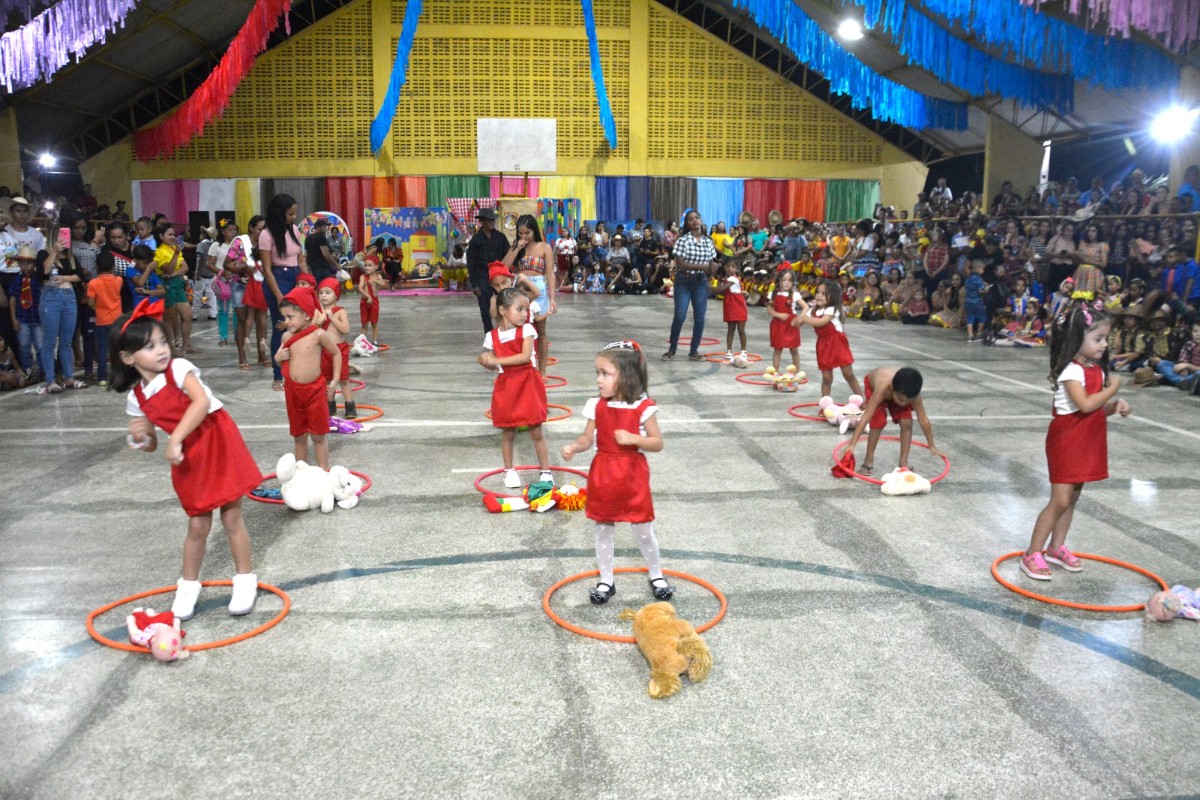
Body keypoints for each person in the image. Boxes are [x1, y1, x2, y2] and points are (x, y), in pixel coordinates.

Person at [111, 299, 263, 619]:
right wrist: (143, 439)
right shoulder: (135, 399)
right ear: (127, 358)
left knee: (231, 516)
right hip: (189, 455)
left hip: (216, 438)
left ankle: (245, 580)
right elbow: (153, 444)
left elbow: (200, 402)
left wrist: (175, 438)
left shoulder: (179, 369)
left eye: (163, 341)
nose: (162, 350)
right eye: (150, 346)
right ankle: (188, 586)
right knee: (197, 524)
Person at [1020, 304, 1129, 580]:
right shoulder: (1071, 371)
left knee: (1072, 499)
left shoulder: (1096, 370)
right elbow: (1083, 404)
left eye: (1106, 338)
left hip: (1087, 440)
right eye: (1098, 338)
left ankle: (1056, 548)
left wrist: (1114, 405)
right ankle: (1032, 552)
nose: (1104, 344)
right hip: (1067, 440)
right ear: (1076, 339)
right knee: (1059, 501)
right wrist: (1113, 389)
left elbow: (1095, 407)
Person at [561, 340, 670, 605]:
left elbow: (657, 443)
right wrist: (575, 446)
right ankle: (606, 580)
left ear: (627, 376)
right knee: (603, 529)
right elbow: (588, 438)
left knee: (643, 530)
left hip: (632, 475)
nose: (599, 380)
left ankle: (656, 575)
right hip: (604, 473)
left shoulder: (643, 407)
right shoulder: (596, 405)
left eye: (606, 374)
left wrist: (634, 438)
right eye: (597, 373)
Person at [478, 287, 550, 491]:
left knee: (536, 431)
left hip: (528, 384)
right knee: (508, 432)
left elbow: (525, 356)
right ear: (503, 310)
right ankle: (509, 471)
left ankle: (545, 472)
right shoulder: (491, 337)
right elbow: (491, 363)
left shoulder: (527, 329)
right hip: (507, 387)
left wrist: (496, 359)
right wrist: (484, 360)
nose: (525, 314)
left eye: (526, 309)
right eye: (519, 309)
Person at [274, 285, 341, 471]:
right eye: (285, 317)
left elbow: (336, 354)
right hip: (293, 391)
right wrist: (277, 359)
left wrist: (334, 380)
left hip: (315, 391)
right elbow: (284, 364)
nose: (286, 321)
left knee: (318, 435)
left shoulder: (318, 335)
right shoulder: (286, 337)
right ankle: (301, 475)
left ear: (306, 315)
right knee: (299, 436)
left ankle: (324, 472)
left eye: (290, 317)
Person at [844, 366, 943, 475]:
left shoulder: (912, 394)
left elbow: (923, 419)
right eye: (900, 400)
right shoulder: (883, 388)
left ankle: (903, 462)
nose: (903, 404)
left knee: (907, 422)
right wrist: (852, 444)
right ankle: (868, 461)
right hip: (874, 388)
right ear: (891, 388)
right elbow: (866, 417)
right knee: (878, 421)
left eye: (907, 402)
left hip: (897, 391)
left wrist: (932, 445)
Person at [259, 195, 311, 391]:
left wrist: (309, 284)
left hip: (296, 278)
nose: (294, 217)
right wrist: (280, 296)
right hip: (277, 279)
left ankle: (298, 371)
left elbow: (301, 260)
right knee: (281, 327)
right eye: (290, 214)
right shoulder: (267, 234)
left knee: (301, 326)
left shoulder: (295, 230)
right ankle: (277, 375)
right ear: (279, 214)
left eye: (294, 213)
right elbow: (267, 268)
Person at [502, 215, 557, 375]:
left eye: (527, 233)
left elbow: (550, 275)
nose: (524, 237)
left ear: (534, 231)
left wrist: (552, 299)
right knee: (517, 328)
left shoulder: (545, 247)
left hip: (538, 288)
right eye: (520, 233)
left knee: (541, 331)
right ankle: (519, 367)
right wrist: (517, 248)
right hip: (519, 288)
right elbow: (504, 267)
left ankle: (542, 371)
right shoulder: (516, 246)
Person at [663, 210, 717, 361]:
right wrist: (702, 267)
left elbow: (712, 262)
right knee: (679, 317)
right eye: (691, 219)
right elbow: (680, 263)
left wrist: (715, 268)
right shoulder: (683, 240)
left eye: (697, 218)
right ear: (687, 224)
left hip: (701, 282)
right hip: (683, 282)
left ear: (701, 220)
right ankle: (672, 349)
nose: (695, 221)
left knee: (700, 318)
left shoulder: (708, 241)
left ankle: (694, 351)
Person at [37, 233, 86, 394]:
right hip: (51, 297)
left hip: (69, 297)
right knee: (50, 341)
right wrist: (54, 251)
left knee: (67, 340)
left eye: (66, 235)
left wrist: (65, 278)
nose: (64, 239)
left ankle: (69, 377)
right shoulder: (44, 253)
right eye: (61, 235)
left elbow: (80, 275)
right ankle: (50, 380)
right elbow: (44, 272)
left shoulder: (71, 255)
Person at [796, 278, 861, 397]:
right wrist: (793, 317)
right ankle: (825, 404)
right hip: (823, 345)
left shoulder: (832, 309)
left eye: (824, 294)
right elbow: (797, 323)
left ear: (833, 296)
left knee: (848, 374)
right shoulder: (813, 310)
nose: (819, 296)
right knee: (826, 378)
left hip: (837, 343)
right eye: (818, 292)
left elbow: (821, 322)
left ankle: (862, 400)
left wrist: (804, 318)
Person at [230, 216, 270, 368]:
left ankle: (262, 356)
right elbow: (228, 263)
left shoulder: (266, 243)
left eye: (265, 229)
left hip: (259, 286)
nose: (263, 232)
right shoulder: (240, 242)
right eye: (260, 229)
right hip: (241, 285)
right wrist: (243, 268)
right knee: (242, 320)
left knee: (261, 319)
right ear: (251, 228)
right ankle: (242, 357)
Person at [152, 223, 196, 355]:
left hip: (178, 283)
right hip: (167, 285)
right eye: (169, 234)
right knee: (169, 317)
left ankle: (186, 345)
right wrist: (176, 254)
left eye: (173, 234)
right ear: (161, 236)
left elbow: (185, 267)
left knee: (187, 315)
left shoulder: (173, 249)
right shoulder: (159, 252)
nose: (173, 237)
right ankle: (170, 347)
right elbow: (168, 269)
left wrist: (176, 273)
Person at [317, 277, 355, 418]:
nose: (324, 295)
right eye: (321, 293)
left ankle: (350, 405)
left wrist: (332, 318)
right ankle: (330, 405)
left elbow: (346, 329)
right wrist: (319, 321)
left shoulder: (340, 312)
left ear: (336, 295)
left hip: (339, 350)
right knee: (326, 380)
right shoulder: (317, 311)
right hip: (323, 351)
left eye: (328, 292)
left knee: (343, 379)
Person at [467, 208, 510, 333]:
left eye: (493, 220)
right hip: (482, 276)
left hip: (499, 275)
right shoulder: (476, 239)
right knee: (485, 307)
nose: (492, 222)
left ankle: (505, 330)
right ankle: (489, 334)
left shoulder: (500, 237)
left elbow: (508, 255)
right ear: (482, 221)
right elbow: (471, 263)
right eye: (489, 220)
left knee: (503, 302)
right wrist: (474, 284)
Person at [85, 255, 123, 386]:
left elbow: (90, 303)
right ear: (113, 266)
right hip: (117, 319)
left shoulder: (93, 283)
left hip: (102, 320)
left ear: (96, 267)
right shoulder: (119, 280)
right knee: (117, 348)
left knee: (102, 349)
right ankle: (118, 375)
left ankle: (102, 377)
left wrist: (98, 306)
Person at [8, 245, 43, 382]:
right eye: (22, 263)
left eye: (29, 263)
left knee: (40, 345)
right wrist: (13, 318)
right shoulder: (16, 280)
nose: (26, 266)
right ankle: (28, 369)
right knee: (24, 346)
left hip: (37, 318)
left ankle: (42, 369)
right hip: (22, 318)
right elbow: (12, 299)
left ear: (34, 264)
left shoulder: (38, 280)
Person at [767, 267, 802, 375]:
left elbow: (805, 307)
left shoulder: (795, 294)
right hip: (778, 324)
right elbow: (769, 309)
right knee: (777, 349)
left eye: (790, 280)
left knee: (794, 349)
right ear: (780, 281)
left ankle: (797, 373)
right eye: (784, 280)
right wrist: (779, 315)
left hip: (791, 325)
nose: (787, 283)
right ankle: (775, 373)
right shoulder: (774, 293)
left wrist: (800, 318)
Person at [487, 261, 540, 327]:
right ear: (492, 286)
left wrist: (526, 279)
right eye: (497, 285)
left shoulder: (518, 295)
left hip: (522, 333)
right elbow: (493, 314)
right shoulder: (495, 299)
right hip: (506, 335)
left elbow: (537, 294)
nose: (501, 287)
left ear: (511, 280)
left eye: (504, 282)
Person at [719, 260, 748, 362]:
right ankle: (729, 351)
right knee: (731, 329)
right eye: (728, 266)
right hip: (730, 306)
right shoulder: (726, 279)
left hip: (738, 306)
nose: (730, 268)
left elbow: (721, 289)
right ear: (724, 267)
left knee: (740, 330)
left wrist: (708, 288)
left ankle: (743, 351)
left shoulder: (733, 279)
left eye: (733, 267)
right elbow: (724, 292)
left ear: (737, 269)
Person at [191, 226, 218, 323]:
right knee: (211, 294)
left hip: (202, 274)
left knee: (197, 294)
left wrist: (197, 272)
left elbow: (199, 259)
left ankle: (195, 314)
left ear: (203, 235)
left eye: (200, 234)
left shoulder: (200, 246)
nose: (199, 236)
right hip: (211, 273)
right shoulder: (214, 245)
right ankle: (213, 313)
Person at [358, 259, 385, 344]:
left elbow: (383, 284)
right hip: (364, 302)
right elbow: (360, 288)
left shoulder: (378, 276)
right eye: (365, 265)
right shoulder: (363, 277)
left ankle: (374, 341)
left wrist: (374, 281)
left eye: (370, 265)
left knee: (374, 322)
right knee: (364, 323)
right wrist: (368, 296)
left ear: (376, 267)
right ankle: (362, 341)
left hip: (374, 302)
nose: (367, 268)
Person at [304, 218, 338, 284]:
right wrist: (336, 264)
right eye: (324, 227)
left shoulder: (308, 238)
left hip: (313, 268)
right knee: (325, 286)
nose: (326, 229)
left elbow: (306, 254)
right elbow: (325, 253)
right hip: (322, 268)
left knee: (316, 287)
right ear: (319, 227)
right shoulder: (321, 236)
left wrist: (307, 266)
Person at [963, 260, 988, 343]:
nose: (983, 271)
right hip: (977, 301)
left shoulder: (968, 279)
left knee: (970, 318)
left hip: (968, 301)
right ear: (978, 269)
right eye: (982, 269)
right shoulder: (979, 279)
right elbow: (981, 291)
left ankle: (970, 335)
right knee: (982, 317)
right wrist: (986, 289)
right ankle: (979, 333)